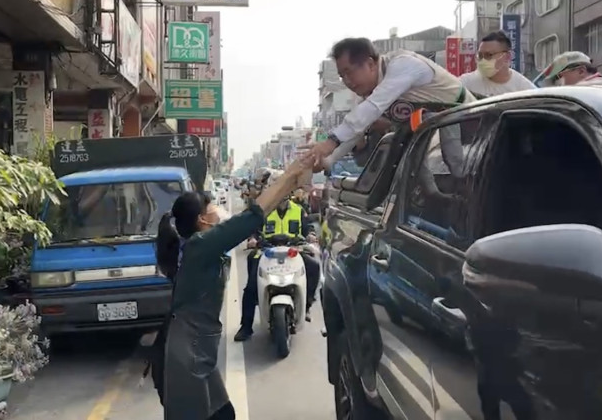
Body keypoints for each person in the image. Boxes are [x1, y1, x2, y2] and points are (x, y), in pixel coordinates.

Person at [152, 156, 313, 420]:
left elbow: (255, 215)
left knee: (224, 414)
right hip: (188, 353)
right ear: (203, 220)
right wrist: (289, 175)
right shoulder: (201, 245)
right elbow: (251, 217)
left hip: (198, 347)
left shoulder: (198, 245)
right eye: (212, 205)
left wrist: (291, 181)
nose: (218, 207)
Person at [304, 37, 477, 171]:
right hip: (430, 133)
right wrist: (327, 161)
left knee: (458, 167)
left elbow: (371, 109)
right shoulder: (367, 94)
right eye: (342, 76)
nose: (347, 81)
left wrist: (330, 142)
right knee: (408, 166)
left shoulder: (403, 65)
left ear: (370, 64)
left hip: (470, 122)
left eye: (349, 72)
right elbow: (357, 129)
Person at [234, 192, 320, 341]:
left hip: (293, 249)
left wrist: (311, 236)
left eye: (285, 196)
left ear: (289, 195)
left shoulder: (298, 210)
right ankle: (246, 326)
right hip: (267, 250)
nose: (281, 200)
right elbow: (254, 230)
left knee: (314, 266)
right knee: (251, 285)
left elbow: (308, 228)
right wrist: (253, 238)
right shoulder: (264, 211)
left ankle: (306, 305)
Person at [459, 30, 536, 98]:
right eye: (480, 56)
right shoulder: (466, 84)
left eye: (489, 55)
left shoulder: (525, 90)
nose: (482, 60)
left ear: (507, 57)